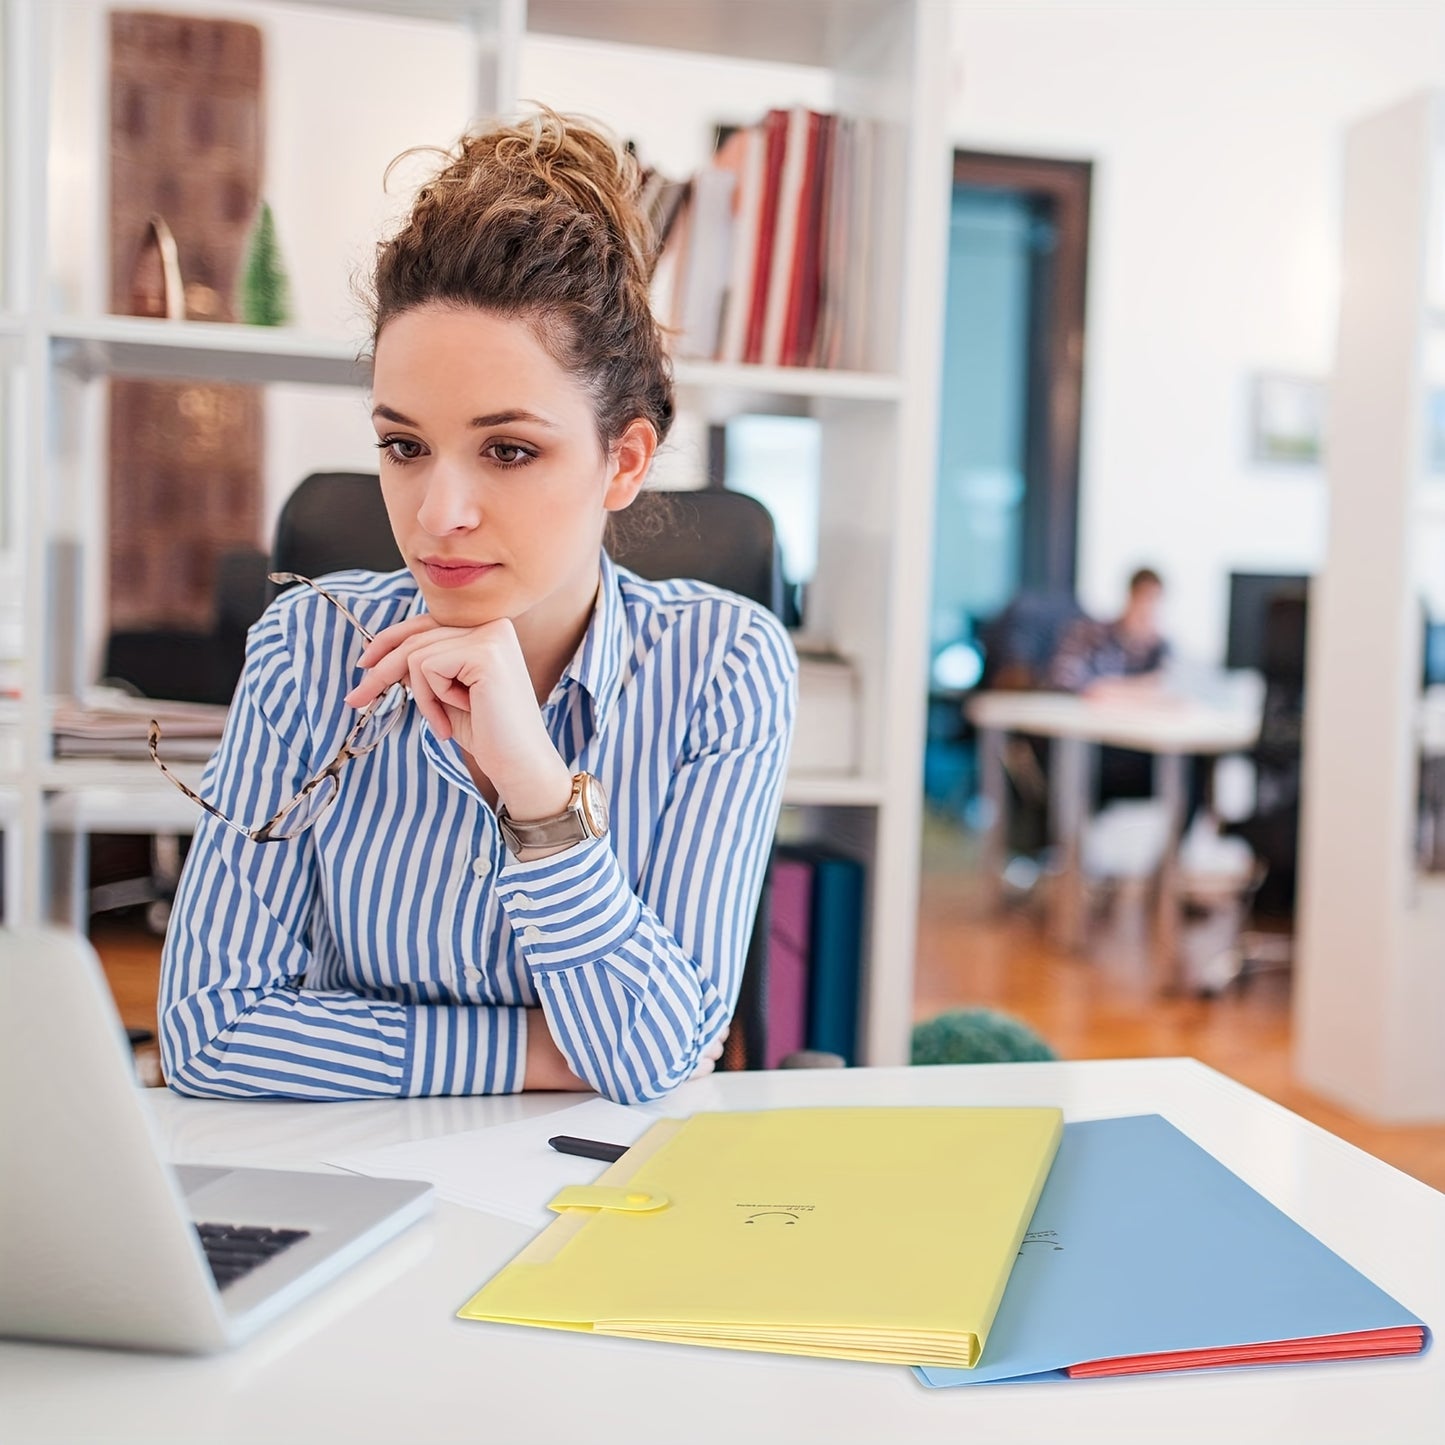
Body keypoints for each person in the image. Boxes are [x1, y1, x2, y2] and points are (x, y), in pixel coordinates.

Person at [156, 110, 797, 1105]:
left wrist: (536, 790)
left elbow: (661, 1061)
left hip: (609, 1207)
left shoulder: (724, 663)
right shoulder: (310, 648)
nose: (436, 513)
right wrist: (545, 1055)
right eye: (404, 445)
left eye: (507, 450)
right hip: (364, 1191)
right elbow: (206, 1030)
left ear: (620, 461)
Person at [1046, 567, 1169, 697]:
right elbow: (1063, 679)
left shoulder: (1158, 648)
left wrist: (1113, 691)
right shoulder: (1089, 634)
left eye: (1154, 602)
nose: (1148, 610)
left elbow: (1169, 691)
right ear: (1130, 597)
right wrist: (1137, 690)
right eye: (1144, 599)